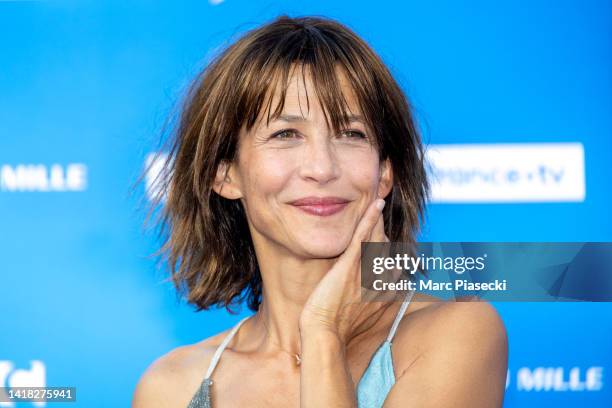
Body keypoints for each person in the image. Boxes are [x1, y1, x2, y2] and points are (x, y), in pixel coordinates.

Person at [132, 14, 508, 408]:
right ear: (224, 174)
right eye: (285, 134)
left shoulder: (457, 333)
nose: (323, 168)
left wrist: (323, 334)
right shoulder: (170, 388)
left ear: (385, 172)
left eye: (351, 134)